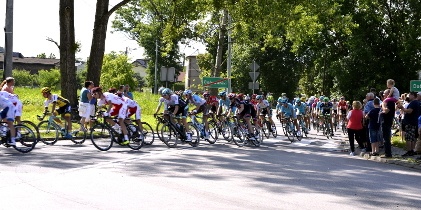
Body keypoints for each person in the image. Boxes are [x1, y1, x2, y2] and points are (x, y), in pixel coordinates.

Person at [396, 92, 419, 156]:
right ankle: (412, 150)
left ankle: (409, 151)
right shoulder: (416, 102)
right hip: (413, 121)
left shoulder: (414, 103)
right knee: (412, 137)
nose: (408, 97)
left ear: (413, 96)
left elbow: (409, 111)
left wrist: (402, 108)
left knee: (408, 137)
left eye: (410, 95)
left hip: (410, 122)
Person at [381, 89, 395, 158]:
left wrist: (383, 104)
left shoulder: (389, 101)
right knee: (385, 138)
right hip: (386, 121)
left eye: (384, 93)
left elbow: (386, 111)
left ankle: (388, 154)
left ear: (389, 94)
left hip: (387, 121)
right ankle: (387, 152)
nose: (383, 95)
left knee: (386, 138)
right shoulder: (388, 101)